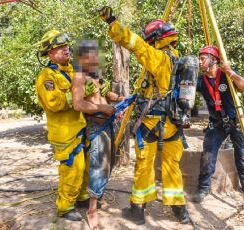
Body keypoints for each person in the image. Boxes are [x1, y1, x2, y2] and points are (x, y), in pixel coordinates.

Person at [98, 6, 191, 225]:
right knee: (172, 167)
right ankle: (180, 211)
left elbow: (135, 44)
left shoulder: (158, 58)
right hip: (173, 125)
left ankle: (137, 210)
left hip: (151, 124)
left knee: (144, 166)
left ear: (155, 40)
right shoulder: (178, 61)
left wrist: (113, 23)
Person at [35, 30, 114, 221]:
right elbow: (53, 103)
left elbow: (88, 83)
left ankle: (82, 197)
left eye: (66, 46)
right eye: (60, 48)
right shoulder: (47, 77)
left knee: (86, 166)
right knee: (73, 168)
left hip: (80, 126)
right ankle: (65, 206)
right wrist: (75, 95)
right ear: (50, 53)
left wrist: (98, 87)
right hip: (64, 132)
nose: (66, 50)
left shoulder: (72, 69)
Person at [192, 45, 244, 203]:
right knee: (208, 154)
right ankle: (204, 188)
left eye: (202, 58)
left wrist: (231, 73)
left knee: (242, 153)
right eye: (199, 58)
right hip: (216, 123)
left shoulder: (226, 76)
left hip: (235, 121)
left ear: (213, 60)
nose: (200, 62)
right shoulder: (201, 81)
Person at [71, 40, 124, 229]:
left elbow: (105, 92)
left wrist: (119, 99)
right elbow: (78, 104)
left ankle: (97, 196)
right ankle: (92, 209)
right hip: (95, 125)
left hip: (108, 123)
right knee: (98, 164)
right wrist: (102, 108)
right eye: (90, 55)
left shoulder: (95, 74)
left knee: (109, 163)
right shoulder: (79, 76)